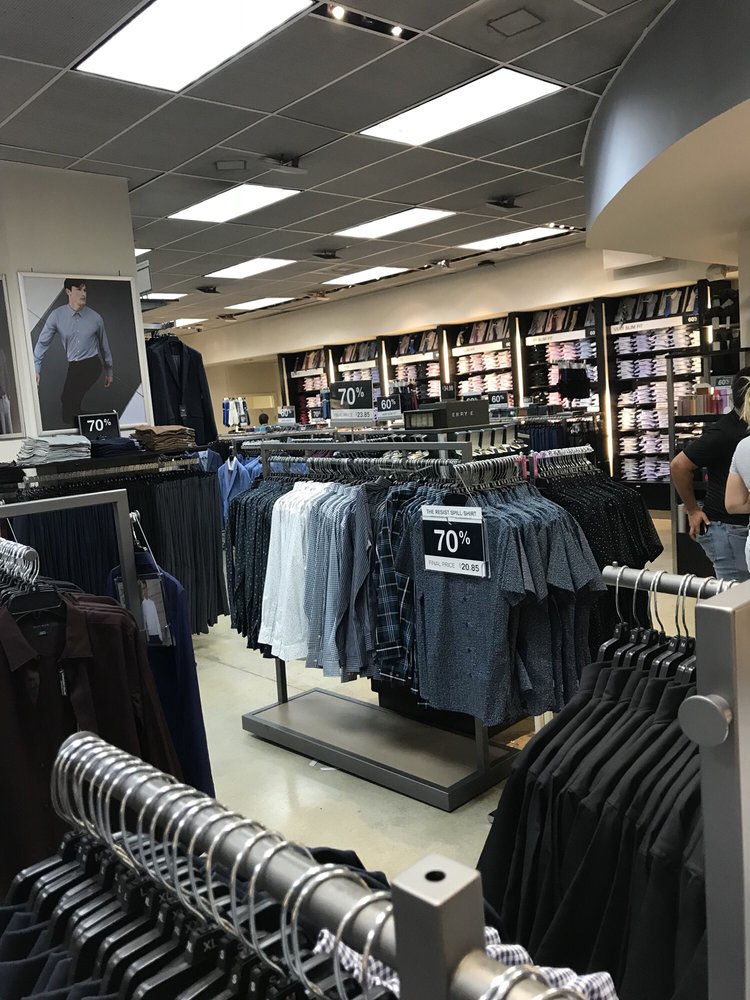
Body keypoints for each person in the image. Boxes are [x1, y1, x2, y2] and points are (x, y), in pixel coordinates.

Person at [670, 367, 750, 582]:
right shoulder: (726, 432)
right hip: (729, 528)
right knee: (734, 593)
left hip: (736, 526)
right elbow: (679, 466)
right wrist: (693, 510)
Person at [33, 278, 113, 426]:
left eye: (85, 290)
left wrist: (109, 371)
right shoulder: (57, 316)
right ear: (68, 291)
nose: (83, 293)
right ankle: (106, 420)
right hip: (74, 366)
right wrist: (36, 369)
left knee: (69, 401)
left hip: (91, 364)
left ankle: (105, 423)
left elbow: (104, 346)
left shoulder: (95, 318)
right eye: (79, 289)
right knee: (68, 407)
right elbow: (42, 343)